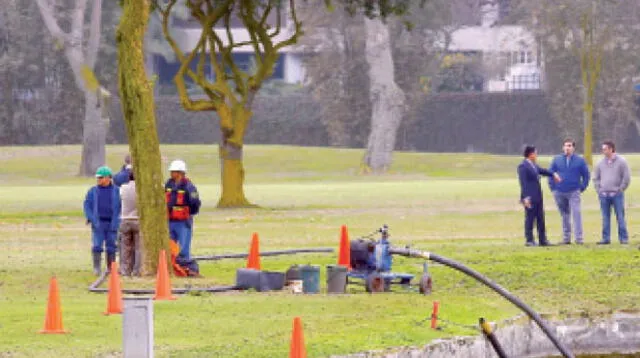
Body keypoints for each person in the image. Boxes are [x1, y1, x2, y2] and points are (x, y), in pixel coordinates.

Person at [548, 139, 590, 245]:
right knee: (564, 215)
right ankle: (566, 238)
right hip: (559, 191)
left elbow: (586, 175)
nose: (567, 148)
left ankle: (579, 238)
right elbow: (550, 173)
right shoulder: (557, 160)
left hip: (573, 191)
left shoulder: (580, 160)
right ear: (563, 147)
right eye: (566, 146)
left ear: (573, 148)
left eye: (570, 146)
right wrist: (553, 188)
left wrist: (582, 187)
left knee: (576, 213)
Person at [517, 145, 561, 247]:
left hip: (538, 196)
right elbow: (523, 183)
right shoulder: (523, 166)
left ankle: (543, 240)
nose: (537, 155)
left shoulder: (534, 165)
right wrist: (526, 198)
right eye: (535, 153)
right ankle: (529, 240)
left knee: (540, 218)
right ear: (531, 154)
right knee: (530, 218)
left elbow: (543, 171)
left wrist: (553, 174)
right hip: (529, 197)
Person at [84, 166, 122, 276]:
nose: (99, 180)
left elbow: (120, 207)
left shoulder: (117, 191)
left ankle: (111, 267)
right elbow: (87, 205)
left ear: (108, 178)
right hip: (98, 223)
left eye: (101, 177)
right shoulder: (93, 191)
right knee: (97, 245)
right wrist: (92, 219)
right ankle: (97, 267)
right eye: (98, 178)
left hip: (112, 223)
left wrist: (117, 221)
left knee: (112, 246)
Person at [593, 140, 631, 245]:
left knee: (620, 217)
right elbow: (595, 178)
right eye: (603, 149)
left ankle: (623, 238)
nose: (603, 151)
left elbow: (626, 177)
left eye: (605, 149)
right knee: (605, 218)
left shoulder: (622, 161)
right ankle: (606, 238)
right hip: (604, 195)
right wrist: (599, 190)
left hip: (617, 195)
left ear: (611, 149)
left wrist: (620, 189)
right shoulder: (600, 163)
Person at [165, 160, 201, 261]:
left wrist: (189, 214)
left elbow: (195, 202)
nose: (171, 173)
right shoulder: (169, 184)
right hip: (170, 220)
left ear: (180, 173)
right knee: (170, 245)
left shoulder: (189, 186)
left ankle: (185, 265)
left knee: (184, 247)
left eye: (173, 171)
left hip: (183, 222)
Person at [118, 170, 141, 276]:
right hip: (138, 220)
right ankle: (137, 270)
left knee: (125, 247)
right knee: (138, 248)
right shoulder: (142, 189)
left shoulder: (123, 188)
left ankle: (125, 270)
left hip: (125, 220)